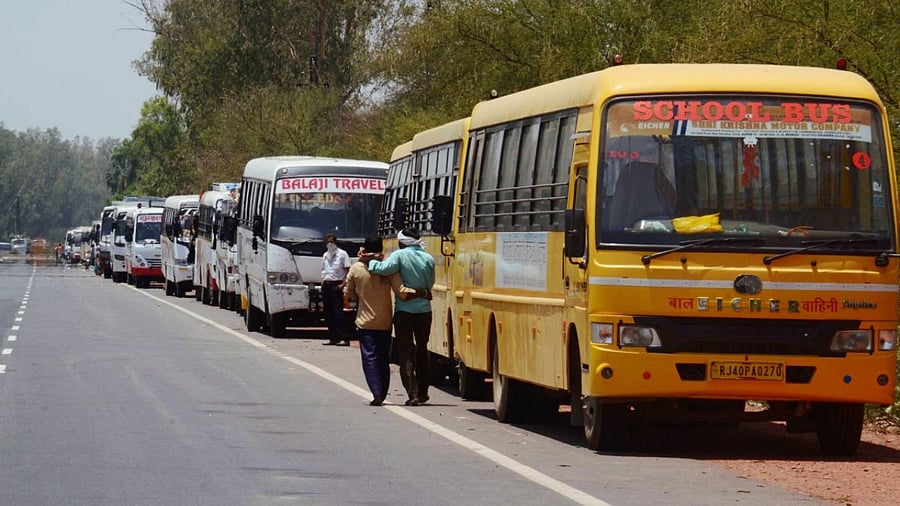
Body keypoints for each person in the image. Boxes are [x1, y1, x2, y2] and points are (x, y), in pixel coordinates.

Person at [367, 226, 435, 406]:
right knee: (422, 349)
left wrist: (371, 261)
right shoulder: (428, 258)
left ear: (401, 242)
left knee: (406, 352)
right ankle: (423, 392)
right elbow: (430, 283)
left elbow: (382, 269)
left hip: (404, 311)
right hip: (424, 311)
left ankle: (412, 394)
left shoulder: (399, 255)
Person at [342, 236, 401, 406]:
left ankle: (377, 392)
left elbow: (349, 293)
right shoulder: (388, 267)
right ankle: (382, 390)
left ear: (364, 248)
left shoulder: (356, 269)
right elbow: (399, 289)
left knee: (370, 358)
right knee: (383, 357)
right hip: (385, 321)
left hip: (365, 322)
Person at [321, 233, 352, 346]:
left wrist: (343, 284)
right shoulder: (325, 255)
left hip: (337, 285)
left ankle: (344, 337)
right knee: (328, 313)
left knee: (338, 312)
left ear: (335, 242)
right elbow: (324, 270)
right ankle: (332, 338)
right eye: (328, 242)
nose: (330, 244)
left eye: (332, 242)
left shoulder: (342, 254)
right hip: (326, 285)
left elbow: (348, 270)